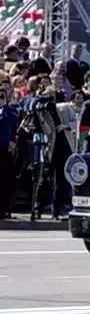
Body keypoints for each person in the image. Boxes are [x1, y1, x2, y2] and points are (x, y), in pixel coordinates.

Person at [0, 87, 18, 219]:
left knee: (5, 180)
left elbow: (14, 121)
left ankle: (4, 208)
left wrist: (5, 106)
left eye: (2, 96)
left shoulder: (9, 112)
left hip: (4, 149)